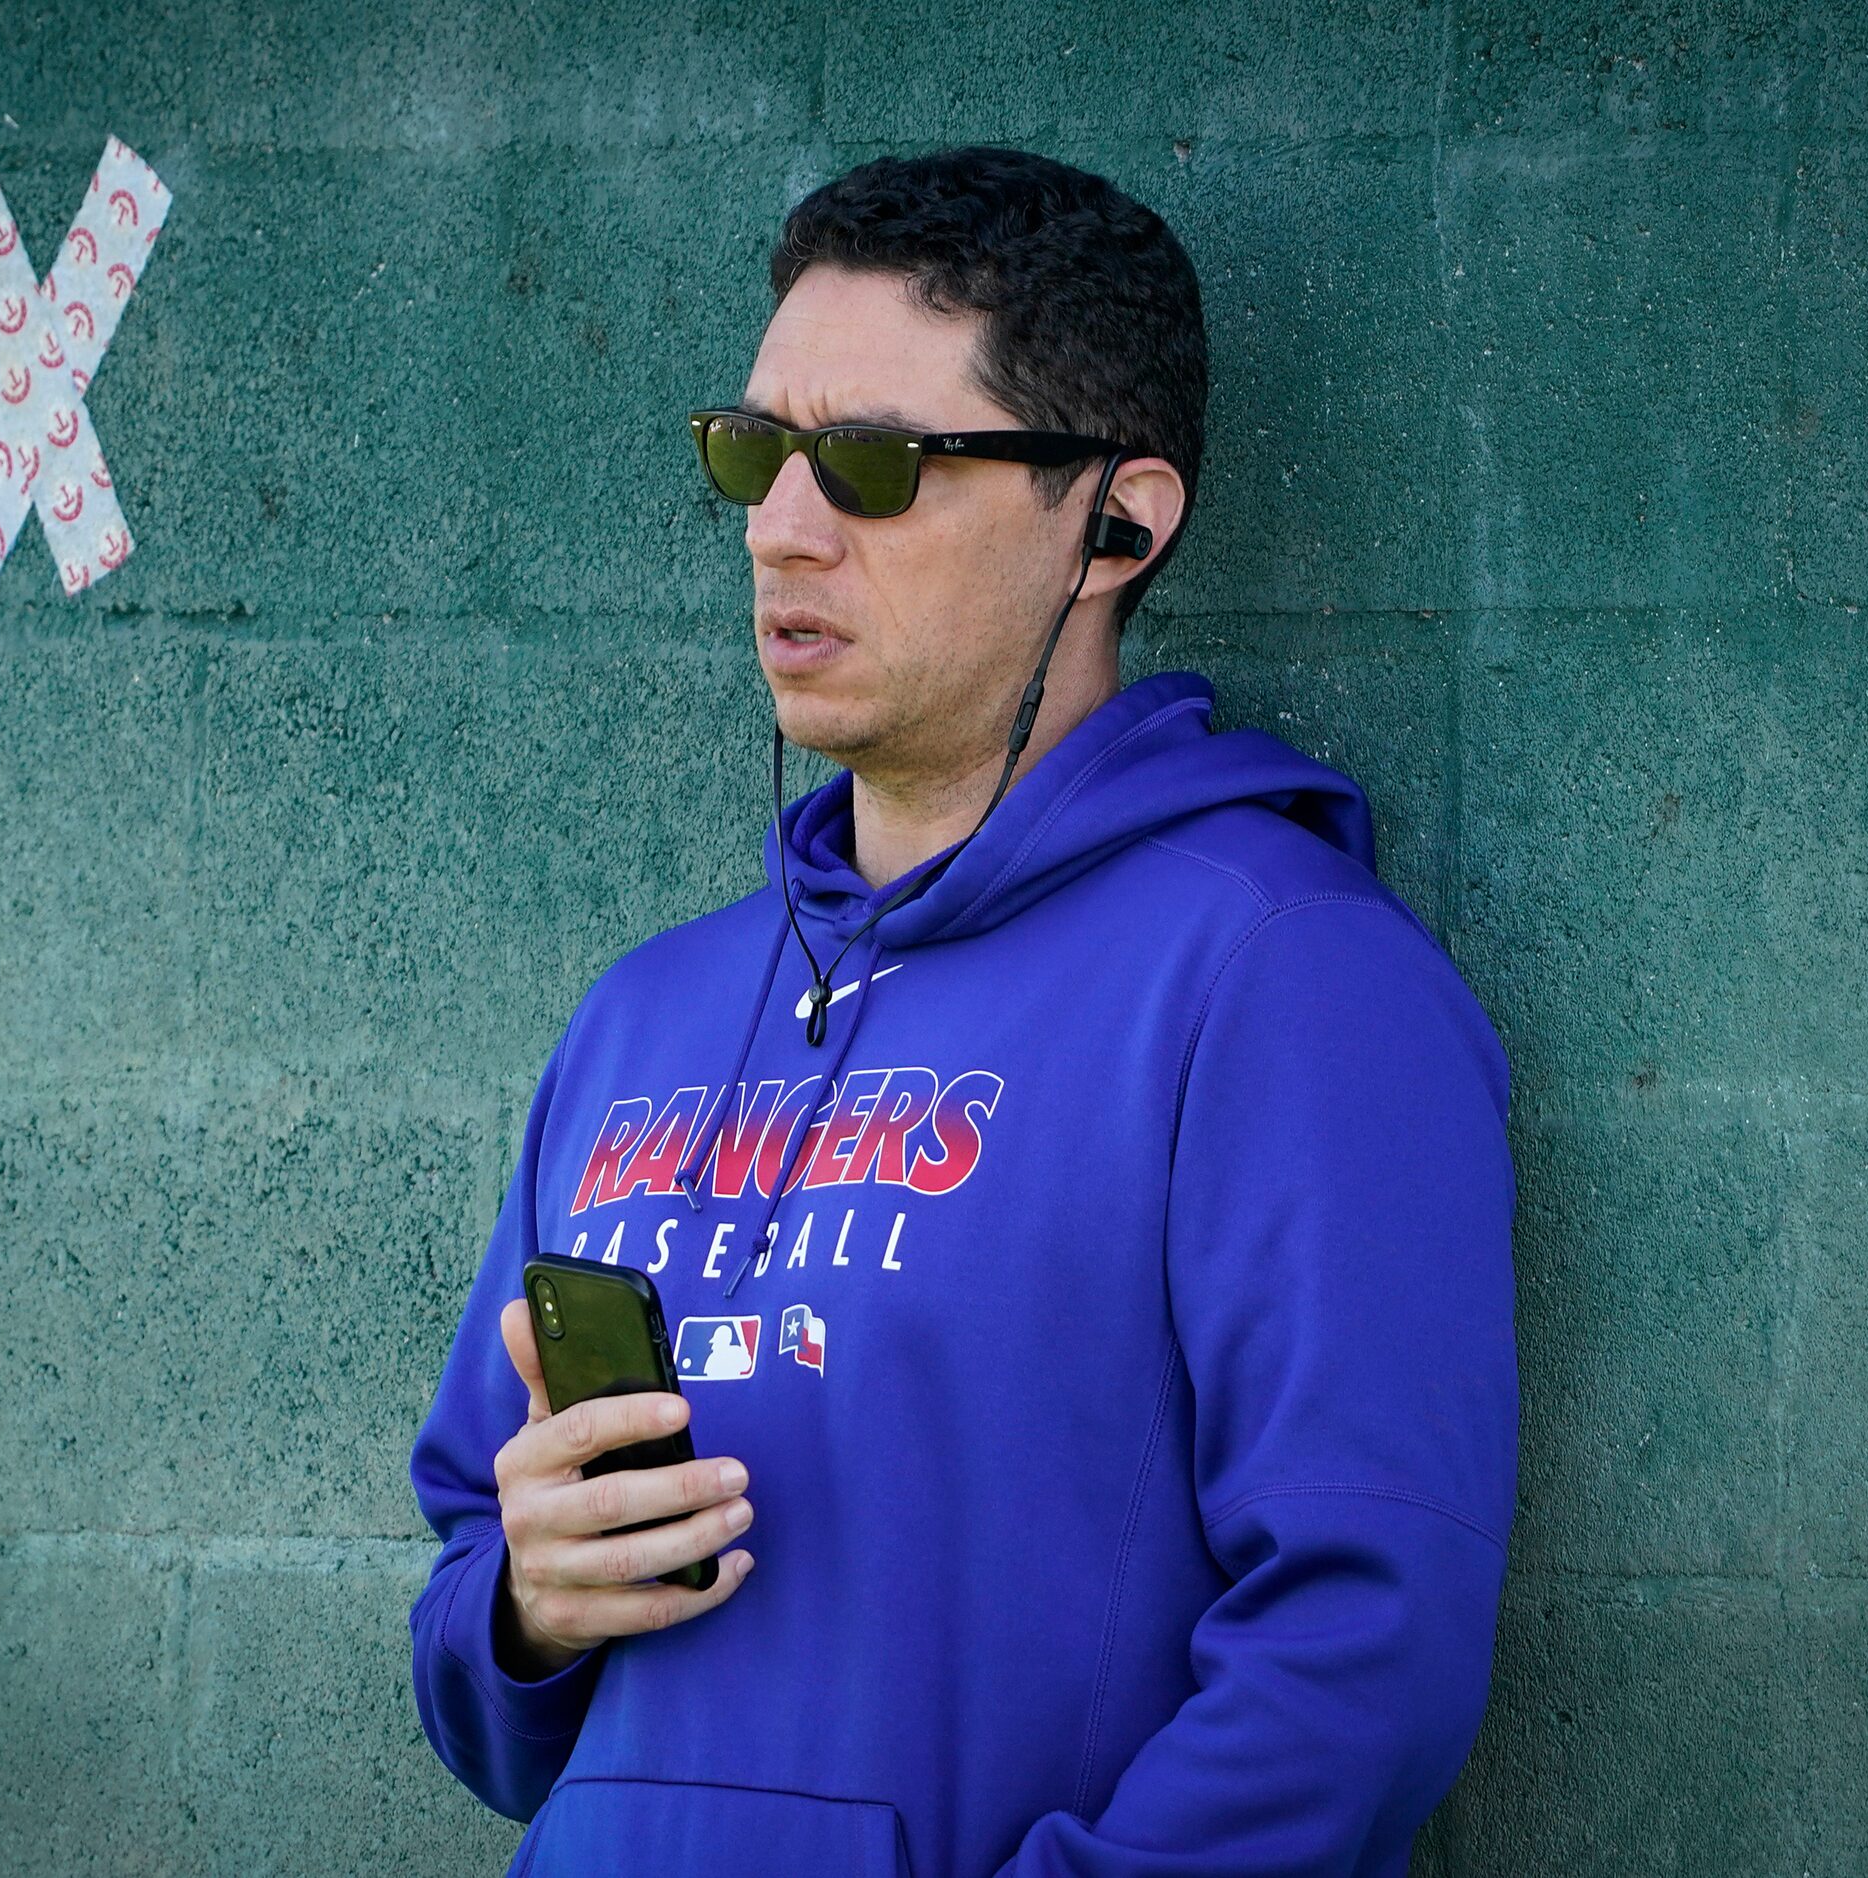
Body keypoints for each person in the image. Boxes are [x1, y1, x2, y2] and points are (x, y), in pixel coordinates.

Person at [406, 144, 1517, 1877]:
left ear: (1118, 519)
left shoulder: (1285, 976)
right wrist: (528, 1609)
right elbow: (479, 1664)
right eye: (751, 450)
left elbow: (1367, 1646)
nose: (782, 522)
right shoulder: (645, 1013)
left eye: (871, 461)